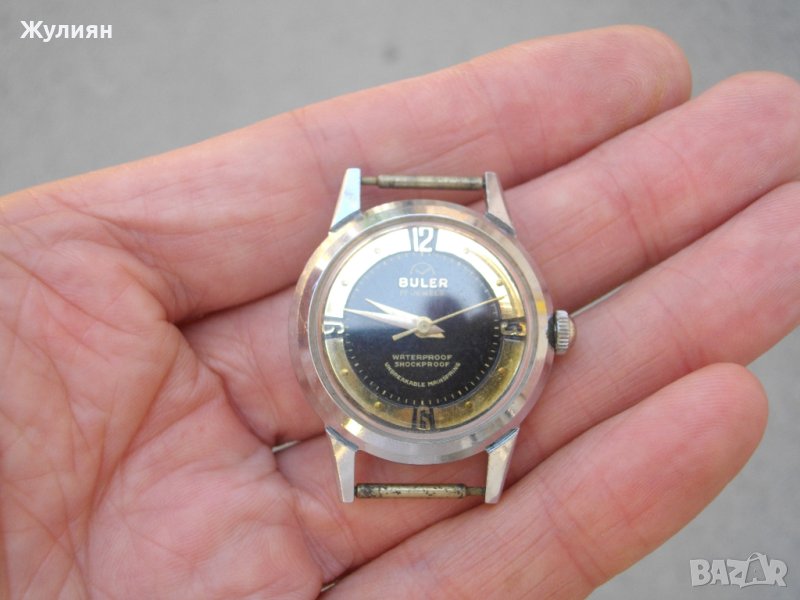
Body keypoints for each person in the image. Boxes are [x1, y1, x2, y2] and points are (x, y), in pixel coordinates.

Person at [0, 25, 798, 599]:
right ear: (550, 331)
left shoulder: (473, 287)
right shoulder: (370, 293)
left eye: (436, 324)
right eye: (415, 322)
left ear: (548, 332)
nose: (423, 329)